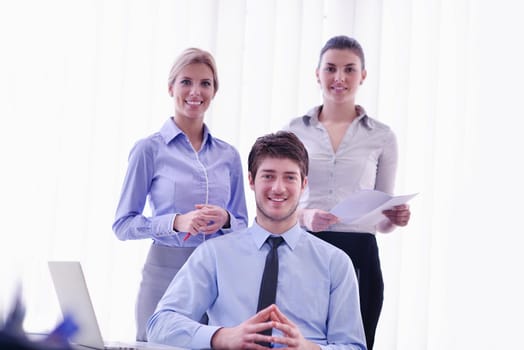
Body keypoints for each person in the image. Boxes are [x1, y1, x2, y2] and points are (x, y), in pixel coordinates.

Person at [147, 131, 366, 350]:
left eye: (290, 177)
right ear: (251, 180)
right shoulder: (214, 254)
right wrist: (222, 337)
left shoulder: (335, 263)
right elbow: (159, 325)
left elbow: (353, 346)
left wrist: (310, 349)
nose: (278, 188)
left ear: (304, 184)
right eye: (268, 176)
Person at [112, 48, 249, 341]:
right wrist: (176, 222)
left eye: (205, 83)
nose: (195, 91)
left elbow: (242, 224)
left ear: (214, 91)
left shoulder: (229, 155)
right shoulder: (149, 149)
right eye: (186, 81)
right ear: (170, 87)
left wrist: (225, 218)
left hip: (218, 276)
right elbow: (123, 225)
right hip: (165, 274)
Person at [284, 35, 411, 349]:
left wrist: (394, 218)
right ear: (317, 74)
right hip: (305, 249)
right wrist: (304, 216)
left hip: (360, 255)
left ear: (363, 76)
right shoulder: (294, 130)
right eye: (330, 68)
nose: (339, 78)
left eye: (349, 69)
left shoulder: (382, 136)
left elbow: (381, 219)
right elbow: (279, 203)